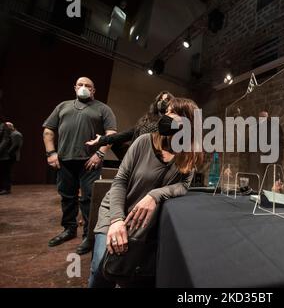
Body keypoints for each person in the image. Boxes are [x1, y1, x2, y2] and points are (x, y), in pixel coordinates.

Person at [89, 97, 203, 288]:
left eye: (177, 114)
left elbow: (183, 185)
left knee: (126, 272)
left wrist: (154, 195)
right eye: (168, 113)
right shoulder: (143, 142)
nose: (169, 117)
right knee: (101, 267)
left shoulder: (188, 154)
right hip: (116, 211)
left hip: (140, 221)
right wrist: (116, 220)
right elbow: (120, 182)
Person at [42, 77, 117, 255]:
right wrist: (51, 153)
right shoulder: (63, 106)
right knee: (67, 197)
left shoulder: (103, 109)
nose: (84, 88)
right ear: (75, 87)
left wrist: (99, 154)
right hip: (64, 160)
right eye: (81, 85)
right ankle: (69, 229)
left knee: (88, 199)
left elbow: (112, 134)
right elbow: (48, 130)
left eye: (88, 86)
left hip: (90, 162)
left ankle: (88, 236)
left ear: (94, 90)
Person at [85, 91, 174, 160]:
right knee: (116, 141)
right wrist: (102, 139)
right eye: (160, 100)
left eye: (166, 100)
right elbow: (128, 133)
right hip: (138, 153)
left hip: (155, 157)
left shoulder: (173, 122)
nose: (162, 102)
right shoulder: (147, 119)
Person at [0, 122, 23, 195]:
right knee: (5, 172)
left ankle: (6, 188)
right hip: (8, 156)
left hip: (11, 156)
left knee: (7, 172)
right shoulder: (10, 134)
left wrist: (8, 153)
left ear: (10, 127)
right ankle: (4, 188)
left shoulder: (16, 134)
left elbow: (15, 146)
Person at [0, 117, 12, 195]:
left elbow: (5, 140)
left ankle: (5, 188)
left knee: (4, 172)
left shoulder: (4, 126)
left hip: (3, 155)